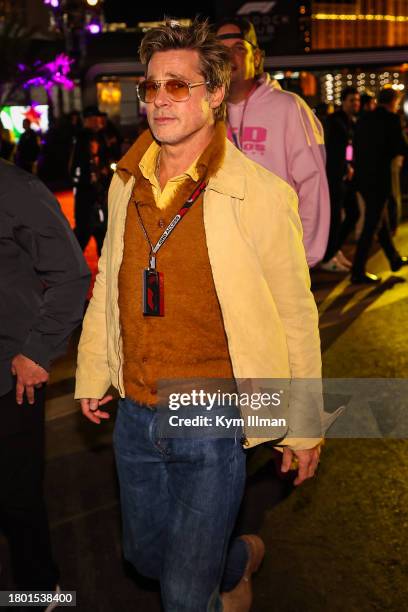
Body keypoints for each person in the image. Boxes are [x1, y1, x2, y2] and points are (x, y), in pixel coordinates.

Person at [75, 19, 322, 612]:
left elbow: (295, 315)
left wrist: (304, 423)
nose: (160, 98)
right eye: (151, 86)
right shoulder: (124, 183)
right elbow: (109, 279)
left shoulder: (260, 194)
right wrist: (91, 370)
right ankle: (236, 559)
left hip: (214, 412)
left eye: (178, 86)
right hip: (135, 408)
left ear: (215, 94)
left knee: (184, 595)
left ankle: (214, 576)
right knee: (146, 558)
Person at [0, 160, 90, 605]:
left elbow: (71, 275)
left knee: (16, 500)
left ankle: (39, 593)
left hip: (8, 379)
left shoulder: (15, 187)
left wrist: (37, 351)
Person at [215, 17, 330, 268]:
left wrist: (305, 256)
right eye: (221, 51)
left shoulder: (288, 107)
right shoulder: (206, 114)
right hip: (225, 259)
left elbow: (312, 182)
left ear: (256, 58)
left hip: (279, 257)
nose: (229, 57)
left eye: (238, 49)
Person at [351, 87, 408, 283]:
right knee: (372, 224)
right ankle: (357, 271)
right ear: (394, 101)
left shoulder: (365, 118)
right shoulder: (392, 119)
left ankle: (394, 259)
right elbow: (400, 147)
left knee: (379, 221)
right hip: (379, 178)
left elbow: (355, 145)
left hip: (363, 178)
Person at [321, 86, 361, 273]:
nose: (356, 104)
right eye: (352, 100)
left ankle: (334, 249)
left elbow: (348, 148)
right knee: (335, 218)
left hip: (344, 176)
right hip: (333, 177)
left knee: (353, 213)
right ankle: (328, 256)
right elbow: (334, 152)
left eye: (357, 100)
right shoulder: (335, 122)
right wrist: (346, 167)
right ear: (343, 102)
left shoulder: (350, 121)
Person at [70, 106, 110, 254]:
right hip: (85, 191)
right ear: (87, 120)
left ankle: (104, 270)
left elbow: (106, 158)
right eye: (94, 118)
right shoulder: (80, 138)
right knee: (83, 231)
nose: (98, 121)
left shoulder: (102, 136)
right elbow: (74, 164)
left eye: (98, 118)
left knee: (103, 231)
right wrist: (82, 180)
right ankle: (73, 266)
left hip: (101, 190)